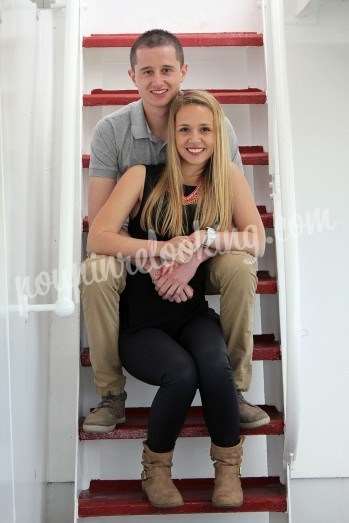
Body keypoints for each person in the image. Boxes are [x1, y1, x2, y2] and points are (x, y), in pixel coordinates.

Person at [81, 28, 270, 434]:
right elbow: (101, 226)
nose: (157, 81)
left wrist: (195, 254)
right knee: (96, 270)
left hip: (203, 247)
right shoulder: (113, 133)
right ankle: (111, 394)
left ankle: (234, 388)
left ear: (183, 71)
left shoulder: (213, 124)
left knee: (240, 265)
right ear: (132, 76)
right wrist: (158, 257)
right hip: (138, 250)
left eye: (167, 69)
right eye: (146, 71)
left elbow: (232, 216)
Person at [87, 90, 266, 508]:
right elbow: (99, 235)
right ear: (170, 133)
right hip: (143, 319)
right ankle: (156, 468)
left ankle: (227, 468)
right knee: (182, 373)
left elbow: (255, 238)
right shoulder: (139, 174)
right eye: (184, 129)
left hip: (191, 309)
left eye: (205, 129)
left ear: (219, 134)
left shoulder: (226, 180)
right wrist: (158, 253)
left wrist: (202, 243)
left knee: (214, 365)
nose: (195, 139)